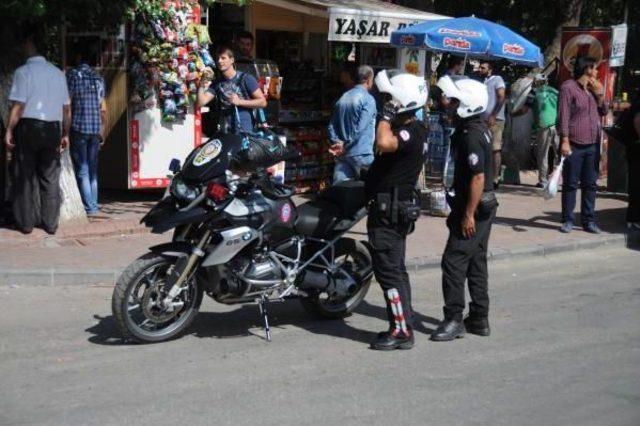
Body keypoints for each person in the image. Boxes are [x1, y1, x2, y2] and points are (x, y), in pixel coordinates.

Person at [431, 75, 498, 342]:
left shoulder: (471, 135)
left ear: (467, 104)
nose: (448, 104)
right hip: (482, 205)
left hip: (474, 208)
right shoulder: (475, 128)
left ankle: (454, 319)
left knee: (454, 261)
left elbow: (478, 177)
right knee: (476, 260)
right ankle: (479, 318)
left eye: (454, 101)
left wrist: (468, 214)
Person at [366, 69, 428, 350]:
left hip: (389, 212)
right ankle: (405, 322)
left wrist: (387, 115)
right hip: (394, 208)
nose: (384, 100)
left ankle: (401, 331)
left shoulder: (408, 130)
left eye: (389, 97)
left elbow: (384, 142)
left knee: (389, 273)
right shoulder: (417, 128)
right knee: (397, 270)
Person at [4, 26, 71, 234]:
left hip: (28, 126)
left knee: (24, 174)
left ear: (29, 44)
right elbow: (66, 108)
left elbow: (19, 106)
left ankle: (26, 223)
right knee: (50, 176)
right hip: (52, 127)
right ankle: (50, 224)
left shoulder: (23, 72)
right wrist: (65, 133)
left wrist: (9, 129)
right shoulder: (57, 73)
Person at [557, 56, 608, 234]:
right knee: (571, 184)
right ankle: (568, 220)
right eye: (594, 68)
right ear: (587, 69)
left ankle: (588, 220)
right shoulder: (568, 88)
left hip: (593, 144)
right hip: (573, 144)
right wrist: (564, 140)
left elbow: (604, 111)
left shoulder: (595, 89)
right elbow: (563, 116)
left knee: (590, 184)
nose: (596, 72)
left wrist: (600, 95)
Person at [66, 43, 107, 216]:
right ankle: (94, 206)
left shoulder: (74, 75)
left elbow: (67, 103)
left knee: (82, 169)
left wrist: (64, 129)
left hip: (79, 127)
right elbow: (102, 107)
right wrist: (102, 130)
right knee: (92, 170)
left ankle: (90, 208)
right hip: (95, 129)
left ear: (77, 58)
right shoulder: (98, 77)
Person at [197, 46, 267, 134]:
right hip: (225, 132)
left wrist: (240, 102)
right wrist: (202, 83)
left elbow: (263, 102)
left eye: (223, 58)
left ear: (232, 60)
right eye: (218, 58)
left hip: (244, 133)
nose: (219, 61)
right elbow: (201, 102)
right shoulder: (217, 83)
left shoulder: (246, 79)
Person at [327, 65, 377, 183]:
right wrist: (345, 144)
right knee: (371, 189)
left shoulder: (343, 97)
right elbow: (360, 128)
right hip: (361, 153)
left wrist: (337, 142)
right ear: (369, 79)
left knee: (342, 190)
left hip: (343, 156)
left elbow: (331, 127)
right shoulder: (368, 99)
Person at [478, 61, 506, 189]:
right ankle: (486, 176)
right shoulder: (484, 82)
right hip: (483, 120)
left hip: (496, 120)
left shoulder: (497, 79)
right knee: (484, 148)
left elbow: (501, 97)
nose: (480, 69)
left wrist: (494, 115)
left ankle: (495, 178)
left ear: (490, 69)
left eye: (482, 67)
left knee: (495, 149)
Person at [531, 74, 559, 188]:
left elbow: (531, 110)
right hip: (557, 125)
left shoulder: (534, 93)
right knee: (560, 154)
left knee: (543, 154)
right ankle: (560, 180)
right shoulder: (555, 92)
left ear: (537, 82)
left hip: (544, 126)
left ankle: (543, 181)